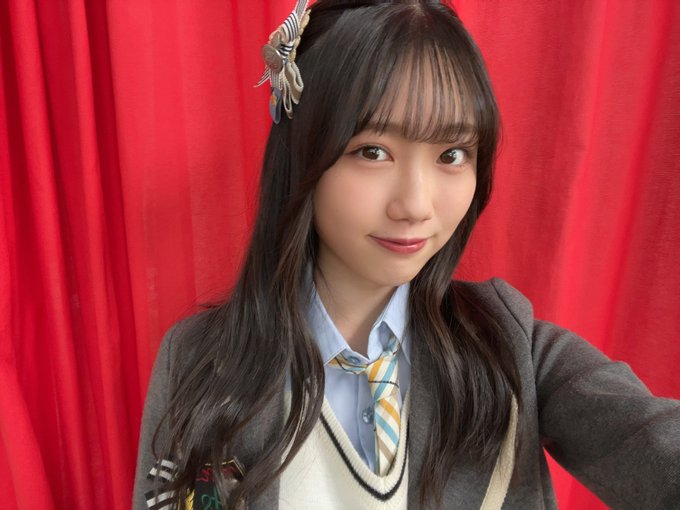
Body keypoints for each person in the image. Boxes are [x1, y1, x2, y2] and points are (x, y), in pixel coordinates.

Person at [133, 1, 680, 509]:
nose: (416, 205)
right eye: (372, 151)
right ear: (303, 157)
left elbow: (650, 440)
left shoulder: (511, 349)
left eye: (452, 154)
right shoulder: (201, 362)